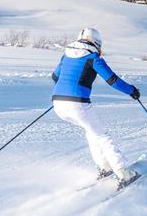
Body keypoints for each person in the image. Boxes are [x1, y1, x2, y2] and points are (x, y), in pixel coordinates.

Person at [51, 27, 141, 187]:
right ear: (96, 43)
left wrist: (65, 92)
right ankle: (123, 172)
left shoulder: (66, 54)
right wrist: (132, 90)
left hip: (58, 103)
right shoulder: (92, 57)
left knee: (92, 131)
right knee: (102, 136)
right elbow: (112, 80)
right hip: (77, 104)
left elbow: (55, 76)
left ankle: (104, 167)